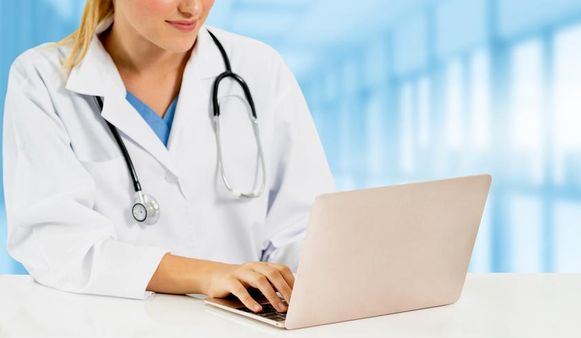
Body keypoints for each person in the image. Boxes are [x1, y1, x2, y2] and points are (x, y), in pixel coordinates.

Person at [2, 0, 334, 314]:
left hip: (244, 331)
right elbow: (56, 244)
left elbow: (305, 225)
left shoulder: (259, 67)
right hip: (112, 332)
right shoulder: (43, 79)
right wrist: (208, 275)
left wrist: (318, 274)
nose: (192, 8)